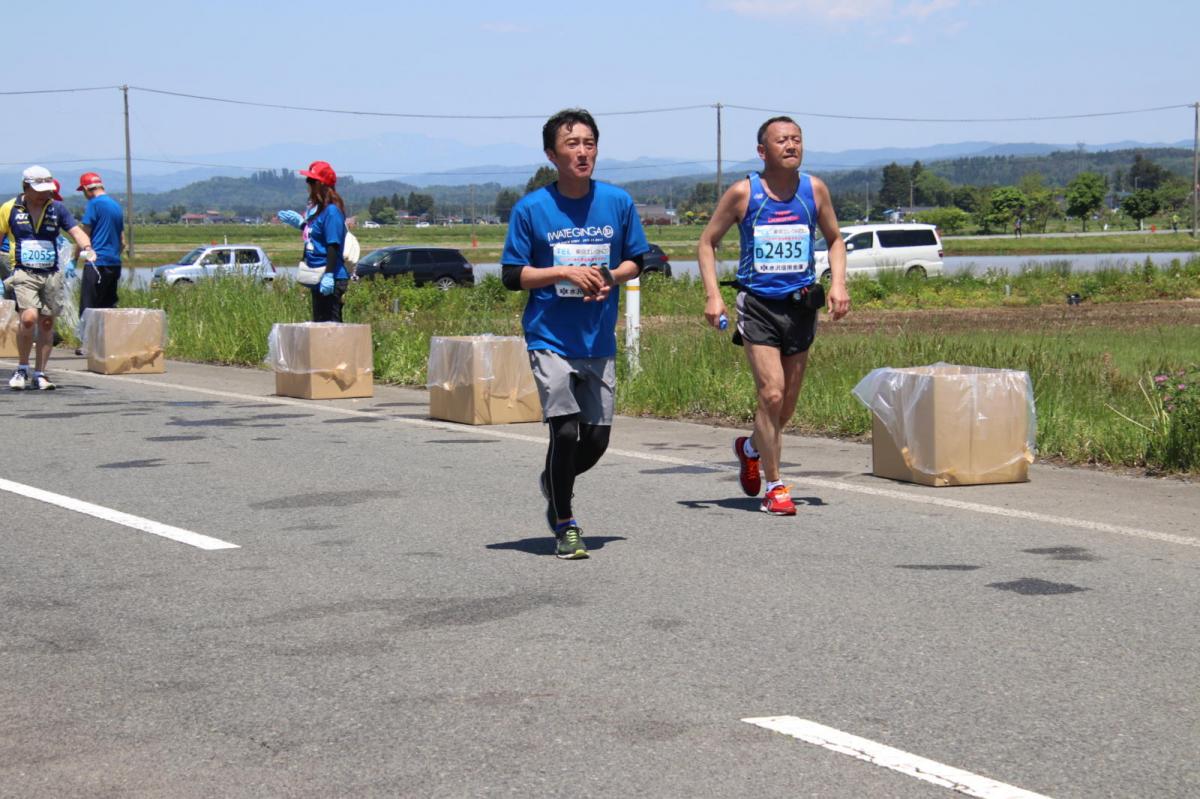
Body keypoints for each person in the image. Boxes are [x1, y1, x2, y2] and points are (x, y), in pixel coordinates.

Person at [500, 108, 649, 559]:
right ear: (552, 154)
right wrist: (562, 271)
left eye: (589, 143)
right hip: (550, 337)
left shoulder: (618, 203)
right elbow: (511, 275)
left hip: (597, 338)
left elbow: (637, 260)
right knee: (564, 434)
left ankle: (552, 481)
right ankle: (565, 522)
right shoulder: (531, 209)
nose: (582, 152)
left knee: (596, 441)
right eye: (572, 144)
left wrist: (610, 276)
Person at [697, 117, 850, 516]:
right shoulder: (743, 192)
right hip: (759, 304)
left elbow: (835, 239)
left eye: (797, 139)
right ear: (763, 151)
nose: (791, 145)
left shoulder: (813, 190)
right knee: (771, 393)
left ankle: (750, 448)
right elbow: (707, 243)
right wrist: (714, 296)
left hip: (800, 305)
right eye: (781, 140)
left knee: (786, 408)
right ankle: (776, 486)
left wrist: (838, 284)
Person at [1, 166, 96, 390]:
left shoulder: (57, 209)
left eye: (48, 189)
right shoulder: (9, 208)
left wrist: (87, 247)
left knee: (46, 323)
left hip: (51, 273)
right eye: (40, 189)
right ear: (26, 187)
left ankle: (40, 373)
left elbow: (75, 231)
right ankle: (22, 367)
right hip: (24, 271)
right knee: (28, 319)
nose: (46, 194)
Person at [289, 161, 348, 322]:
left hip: (331, 277)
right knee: (319, 326)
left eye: (311, 181)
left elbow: (333, 245)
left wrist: (329, 275)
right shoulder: (319, 211)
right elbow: (317, 236)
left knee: (331, 328)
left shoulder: (332, 212)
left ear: (321, 184)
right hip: (317, 277)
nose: (307, 184)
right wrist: (302, 224)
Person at [74, 172, 126, 353]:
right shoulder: (116, 206)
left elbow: (83, 235)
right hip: (114, 263)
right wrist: (114, 255)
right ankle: (106, 343)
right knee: (107, 305)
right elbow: (123, 241)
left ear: (88, 189)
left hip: (96, 262)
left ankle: (87, 344)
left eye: (83, 191)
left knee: (89, 305)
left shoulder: (94, 204)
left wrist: (74, 259)